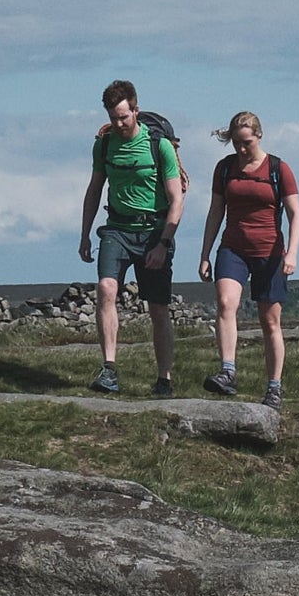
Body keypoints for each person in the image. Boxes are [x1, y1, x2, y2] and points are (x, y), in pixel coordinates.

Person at [76, 79, 186, 396]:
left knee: (157, 308)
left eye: (124, 116)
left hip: (154, 231)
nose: (119, 123)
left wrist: (163, 244)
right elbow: (94, 189)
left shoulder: (159, 146)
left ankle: (164, 378)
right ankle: (109, 370)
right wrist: (85, 234)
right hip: (117, 229)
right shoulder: (104, 145)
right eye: (113, 118)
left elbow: (176, 199)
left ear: (136, 110)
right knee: (106, 289)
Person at [197, 109, 299, 402]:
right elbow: (216, 211)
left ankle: (274, 387)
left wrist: (291, 253)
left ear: (259, 136)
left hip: (269, 252)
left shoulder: (278, 169)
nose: (241, 149)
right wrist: (205, 254)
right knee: (226, 302)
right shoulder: (225, 168)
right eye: (236, 143)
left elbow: (296, 214)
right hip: (233, 248)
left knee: (269, 321)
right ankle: (228, 372)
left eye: (246, 143)